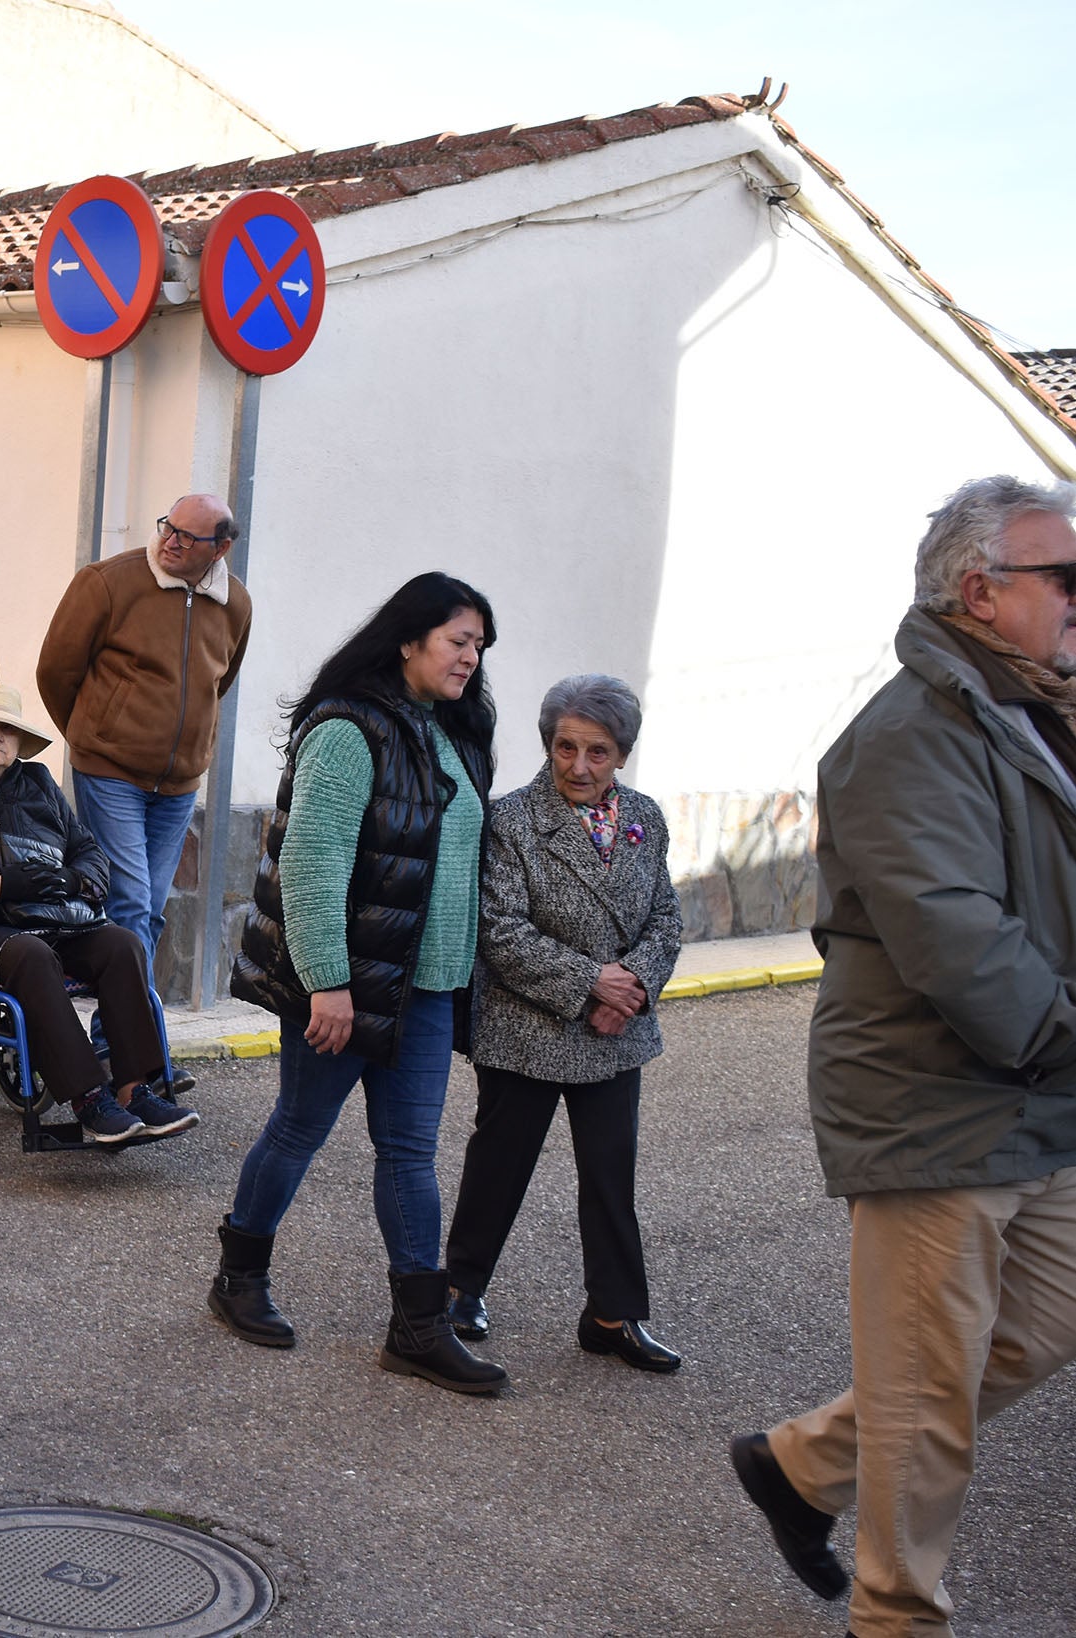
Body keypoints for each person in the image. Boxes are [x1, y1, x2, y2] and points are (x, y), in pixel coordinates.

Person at [734, 476, 1076, 1638]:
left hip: (1041, 1094)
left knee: (1035, 1330)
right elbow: (961, 942)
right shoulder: (905, 737)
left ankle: (802, 1466)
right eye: (1063, 578)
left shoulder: (1036, 710)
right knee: (928, 1396)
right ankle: (897, 1616)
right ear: (982, 593)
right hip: (937, 1102)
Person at [213, 572, 506, 1396]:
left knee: (409, 1152)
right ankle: (238, 1277)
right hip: (345, 984)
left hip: (428, 986)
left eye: (478, 646)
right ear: (409, 639)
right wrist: (327, 984)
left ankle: (417, 1327)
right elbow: (310, 864)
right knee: (298, 1129)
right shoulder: (347, 729)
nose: (470, 659)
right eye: (458, 641)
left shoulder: (450, 729)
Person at [443, 674, 683, 1372]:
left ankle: (613, 1314)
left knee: (611, 1173)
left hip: (618, 1030)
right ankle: (460, 1288)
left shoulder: (645, 817)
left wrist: (631, 986)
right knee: (498, 1166)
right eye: (564, 747)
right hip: (527, 1028)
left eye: (597, 752)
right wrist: (591, 985)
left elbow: (665, 916)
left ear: (621, 755)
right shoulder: (512, 819)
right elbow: (500, 931)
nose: (578, 766)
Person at [0, 681, 192, 1143]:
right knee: (29, 954)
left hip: (48, 918)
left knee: (121, 943)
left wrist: (75, 880)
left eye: (7, 729)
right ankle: (90, 1098)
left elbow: (87, 849)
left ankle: (135, 1090)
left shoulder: (37, 782)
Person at [37, 496, 252, 982]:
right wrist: (94, 736)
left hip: (179, 784)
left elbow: (219, 683)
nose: (170, 542)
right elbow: (55, 671)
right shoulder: (107, 582)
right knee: (131, 902)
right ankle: (128, 1044)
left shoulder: (236, 602)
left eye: (187, 537)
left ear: (220, 548)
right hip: (110, 772)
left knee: (151, 908)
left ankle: (117, 1031)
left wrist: (195, 750)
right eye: (168, 527)